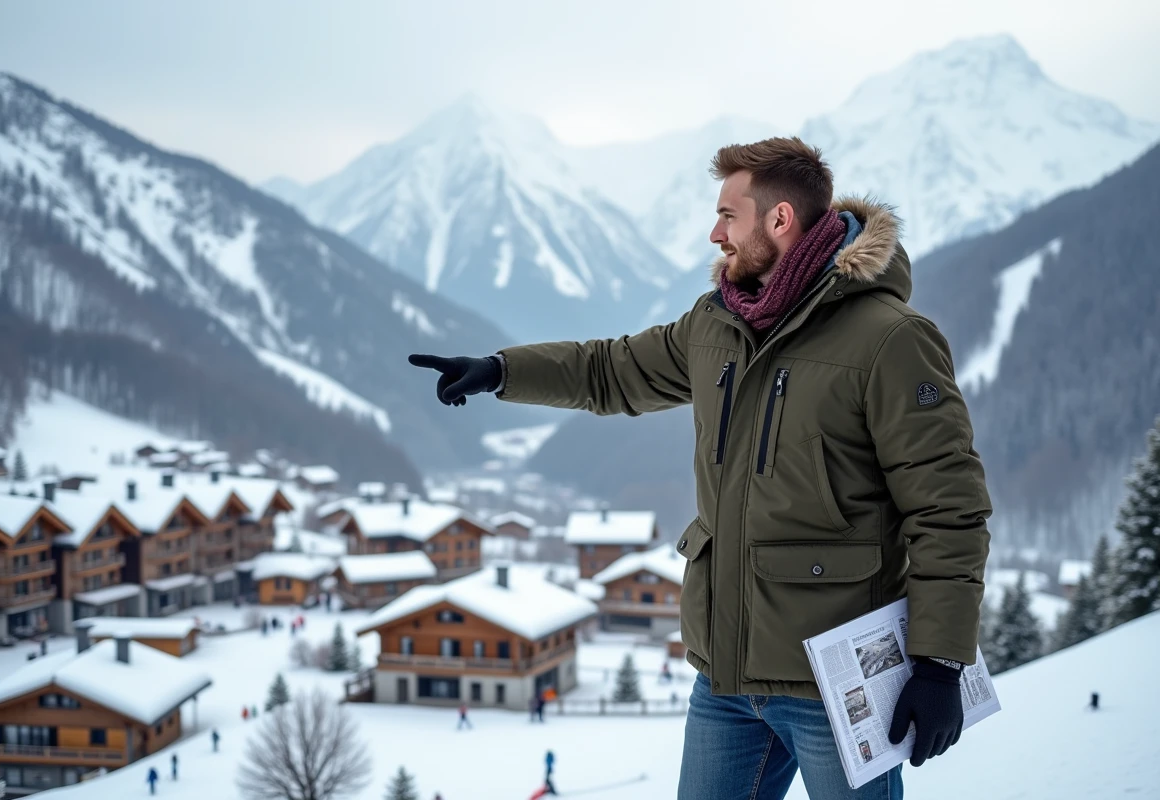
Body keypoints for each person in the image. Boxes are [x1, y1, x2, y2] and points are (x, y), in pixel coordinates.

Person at [409, 137, 992, 800]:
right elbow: (611, 370)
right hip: (725, 676)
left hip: (837, 683)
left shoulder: (888, 338)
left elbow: (949, 509)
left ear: (779, 221)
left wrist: (940, 664)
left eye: (728, 215)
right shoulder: (717, 323)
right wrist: (501, 371)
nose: (715, 233)